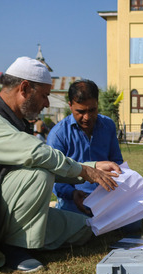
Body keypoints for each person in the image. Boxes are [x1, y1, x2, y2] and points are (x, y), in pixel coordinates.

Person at [0, 57, 120, 273]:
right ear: (25, 88)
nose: (46, 104)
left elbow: (45, 161)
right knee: (39, 174)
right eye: (44, 96)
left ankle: (22, 240)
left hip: (1, 210)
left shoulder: (14, 121)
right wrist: (85, 170)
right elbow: (37, 153)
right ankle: (13, 249)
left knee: (85, 229)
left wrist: (94, 166)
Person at [47, 80, 124, 216]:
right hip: (76, 198)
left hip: (108, 194)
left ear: (97, 104)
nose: (87, 117)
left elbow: (116, 161)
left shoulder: (108, 126)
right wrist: (72, 193)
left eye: (92, 110)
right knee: (80, 225)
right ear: (70, 106)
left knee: (133, 225)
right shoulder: (58, 135)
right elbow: (54, 176)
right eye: (81, 112)